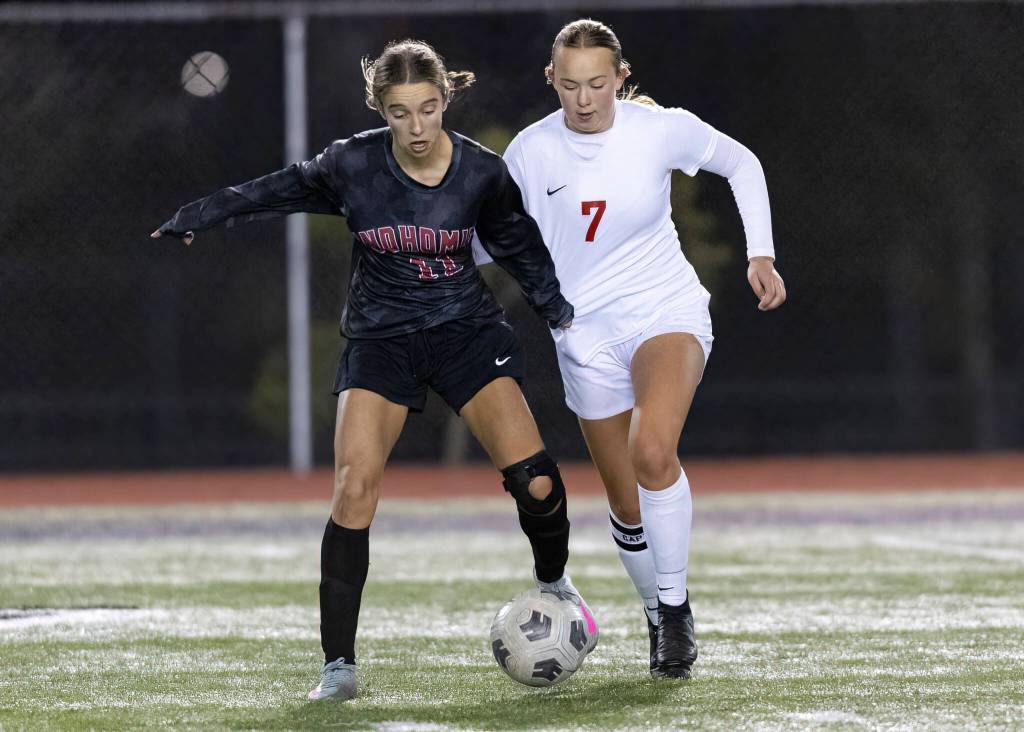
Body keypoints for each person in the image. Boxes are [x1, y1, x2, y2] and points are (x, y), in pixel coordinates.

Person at [151, 39, 596, 701]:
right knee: (354, 489)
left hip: (466, 336)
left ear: (445, 100)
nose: (416, 128)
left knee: (535, 483)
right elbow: (274, 189)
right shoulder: (350, 164)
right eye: (398, 113)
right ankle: (339, 666)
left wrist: (558, 311)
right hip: (381, 340)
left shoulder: (482, 174)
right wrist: (200, 216)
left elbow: (520, 249)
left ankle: (556, 585)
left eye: (426, 109)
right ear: (379, 110)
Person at [475, 18, 786, 679]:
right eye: (570, 85)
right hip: (583, 339)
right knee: (624, 503)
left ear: (619, 77)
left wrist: (762, 252)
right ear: (551, 81)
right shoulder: (530, 153)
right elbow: (487, 239)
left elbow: (742, 163)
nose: (584, 99)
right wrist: (427, 249)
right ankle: (656, 611)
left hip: (663, 314)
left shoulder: (658, 129)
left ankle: (674, 615)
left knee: (653, 452)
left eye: (597, 83)